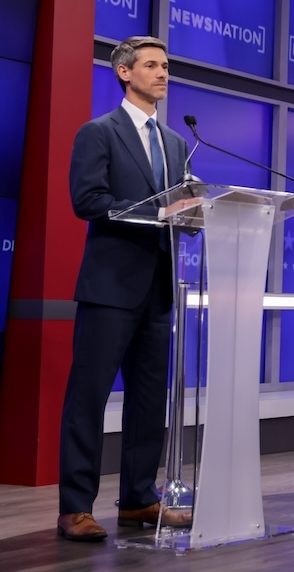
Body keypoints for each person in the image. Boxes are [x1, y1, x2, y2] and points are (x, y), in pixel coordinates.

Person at [58, 36, 194, 541]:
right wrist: (159, 214)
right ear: (124, 72)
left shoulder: (176, 143)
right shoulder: (98, 133)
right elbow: (88, 200)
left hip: (159, 291)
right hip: (109, 288)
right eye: (152, 65)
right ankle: (75, 507)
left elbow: (180, 210)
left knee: (148, 400)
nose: (162, 73)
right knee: (87, 400)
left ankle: (139, 499)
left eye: (166, 66)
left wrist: (195, 214)